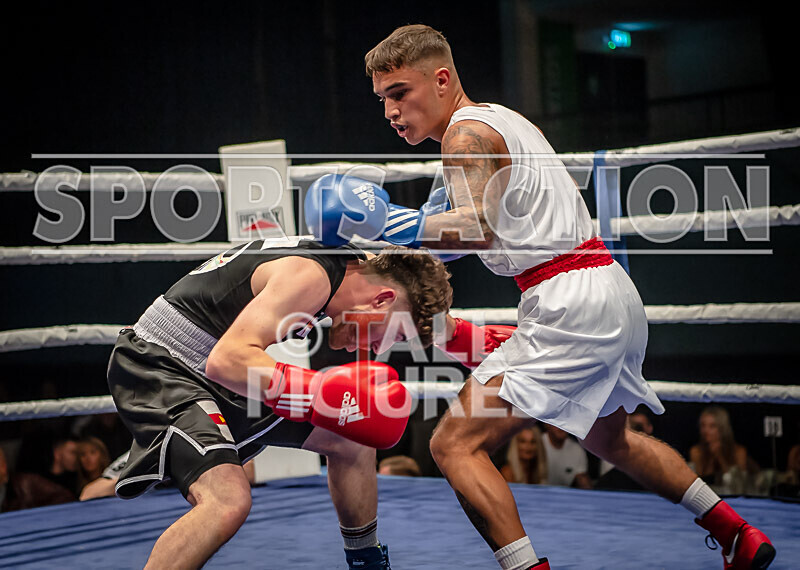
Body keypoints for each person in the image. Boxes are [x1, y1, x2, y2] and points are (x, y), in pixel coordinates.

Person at [342, 24, 775, 569]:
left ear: (442, 79)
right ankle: (737, 534)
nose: (390, 111)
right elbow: (477, 234)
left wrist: (392, 224)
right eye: (383, 99)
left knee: (453, 443)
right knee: (610, 439)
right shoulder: (499, 121)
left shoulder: (465, 135)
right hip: (608, 291)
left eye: (400, 93)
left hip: (569, 299)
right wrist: (394, 241)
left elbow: (474, 227)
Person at [107, 239, 453, 569]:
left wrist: (467, 335)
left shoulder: (351, 266)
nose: (379, 347)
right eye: (393, 335)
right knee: (227, 502)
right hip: (163, 365)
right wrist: (321, 392)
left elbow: (416, 279)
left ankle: (367, 563)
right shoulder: (311, 277)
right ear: (382, 300)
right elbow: (227, 360)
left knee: (351, 437)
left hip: (211, 370)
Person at [689, 406, 758, 495]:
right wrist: (710, 458)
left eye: (712, 426)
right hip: (707, 496)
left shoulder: (739, 452)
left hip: (734, 497)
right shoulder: (696, 451)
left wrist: (720, 456)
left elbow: (739, 486)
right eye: (703, 425)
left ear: (722, 428)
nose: (706, 431)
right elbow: (701, 482)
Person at [540, 425, 590, 489]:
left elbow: (583, 481)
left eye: (565, 421)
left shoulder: (577, 450)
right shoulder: (536, 444)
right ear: (546, 424)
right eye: (557, 420)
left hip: (564, 496)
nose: (562, 425)